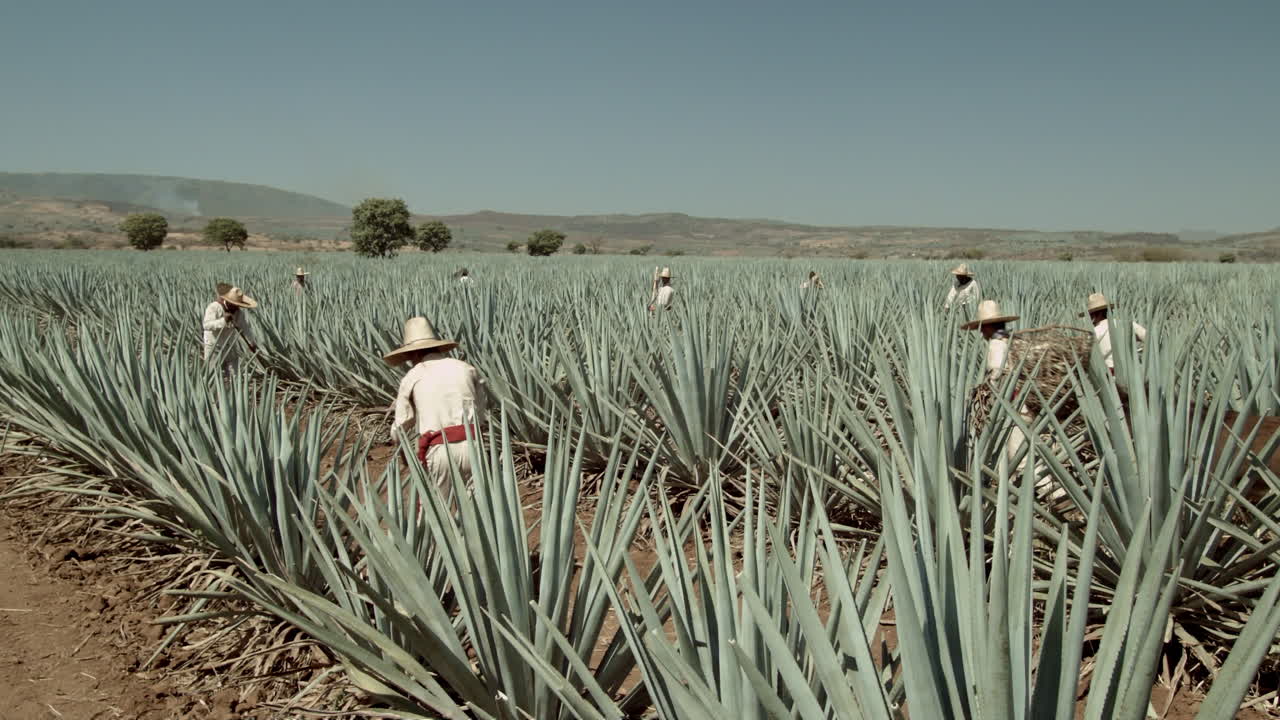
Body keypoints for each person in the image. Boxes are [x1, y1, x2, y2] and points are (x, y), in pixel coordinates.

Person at [387, 316, 488, 489]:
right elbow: (481, 412)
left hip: (440, 451)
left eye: (410, 355)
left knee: (441, 511)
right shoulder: (465, 368)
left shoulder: (413, 376)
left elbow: (401, 427)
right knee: (479, 509)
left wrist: (403, 453)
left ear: (415, 352)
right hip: (474, 448)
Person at [1080, 292, 1146, 372]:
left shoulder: (1094, 332)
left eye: (1091, 315)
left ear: (1098, 314)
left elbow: (1084, 358)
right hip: (1135, 374)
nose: (1090, 318)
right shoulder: (1128, 324)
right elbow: (1150, 340)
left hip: (1109, 377)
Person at [202, 283, 258, 374]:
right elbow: (206, 325)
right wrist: (223, 321)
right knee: (212, 373)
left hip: (229, 345)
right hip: (214, 346)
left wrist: (251, 342)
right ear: (228, 301)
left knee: (234, 374)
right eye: (234, 304)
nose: (237, 307)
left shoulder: (238, 312)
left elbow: (244, 327)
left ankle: (234, 387)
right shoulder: (214, 307)